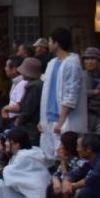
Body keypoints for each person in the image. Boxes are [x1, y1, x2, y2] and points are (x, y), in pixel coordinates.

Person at [39, 28, 86, 162]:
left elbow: (71, 95)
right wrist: (42, 119)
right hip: (49, 118)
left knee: (65, 156)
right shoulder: (52, 63)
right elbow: (47, 93)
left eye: (49, 40)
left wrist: (61, 121)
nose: (48, 44)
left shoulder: (72, 63)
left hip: (63, 120)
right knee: (49, 156)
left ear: (56, 43)